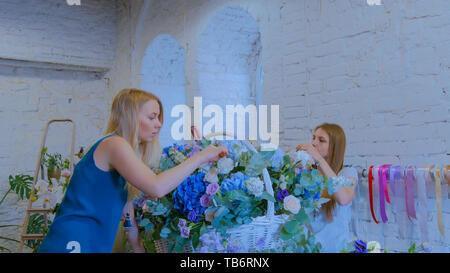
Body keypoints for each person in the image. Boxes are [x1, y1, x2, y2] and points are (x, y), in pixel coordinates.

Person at [38, 88, 228, 253]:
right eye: (152, 117)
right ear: (130, 117)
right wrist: (201, 156)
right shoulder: (114, 144)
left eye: (158, 118)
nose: (159, 124)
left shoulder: (120, 149)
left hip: (90, 240)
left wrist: (135, 242)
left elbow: (124, 201)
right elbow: (157, 187)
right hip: (74, 242)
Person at [296, 123, 358, 253]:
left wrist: (318, 158)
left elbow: (344, 198)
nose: (313, 143)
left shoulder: (347, 173)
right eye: (313, 138)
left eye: (321, 140)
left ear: (334, 147)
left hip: (335, 248)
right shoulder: (308, 173)